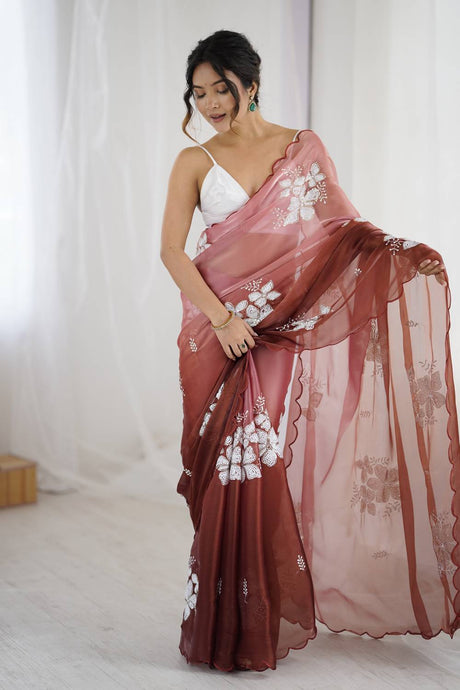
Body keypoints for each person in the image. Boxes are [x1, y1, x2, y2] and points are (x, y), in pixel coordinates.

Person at [160, 29, 459, 673]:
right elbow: (172, 252)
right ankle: (223, 615)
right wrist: (222, 320)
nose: (210, 104)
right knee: (225, 464)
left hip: (280, 328)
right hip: (220, 331)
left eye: (221, 89)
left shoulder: (302, 148)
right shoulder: (193, 161)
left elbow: (342, 231)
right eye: (198, 93)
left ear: (251, 85)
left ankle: (252, 621)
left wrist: (401, 254)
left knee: (253, 456)